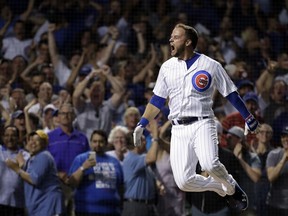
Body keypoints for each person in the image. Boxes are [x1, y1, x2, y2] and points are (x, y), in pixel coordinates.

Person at [133, 23, 261, 212]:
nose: (170, 40)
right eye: (171, 37)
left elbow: (231, 93)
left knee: (210, 162)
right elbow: (157, 100)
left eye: (175, 37)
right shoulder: (167, 67)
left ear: (188, 41)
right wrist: (141, 124)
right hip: (178, 128)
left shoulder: (210, 65)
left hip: (203, 122)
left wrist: (248, 117)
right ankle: (219, 187)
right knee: (184, 182)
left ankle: (231, 186)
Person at [5, 130, 64, 216]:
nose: (33, 142)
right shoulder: (32, 158)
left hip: (48, 205)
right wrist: (22, 165)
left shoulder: (44, 156)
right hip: (40, 206)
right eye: (31, 140)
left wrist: (16, 169)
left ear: (44, 143)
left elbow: (34, 179)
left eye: (37, 140)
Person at [48, 103, 90, 216]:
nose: (66, 116)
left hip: (78, 185)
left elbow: (88, 161)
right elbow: (45, 163)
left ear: (74, 116)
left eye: (69, 113)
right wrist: (58, 174)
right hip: (56, 185)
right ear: (58, 117)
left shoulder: (82, 138)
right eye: (63, 113)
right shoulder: (50, 137)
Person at [69, 130, 124, 216]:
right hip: (87, 210)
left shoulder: (114, 161)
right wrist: (83, 168)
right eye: (95, 141)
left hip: (111, 210)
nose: (97, 144)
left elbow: (121, 186)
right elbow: (72, 183)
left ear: (106, 143)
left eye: (101, 141)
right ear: (90, 143)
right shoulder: (81, 159)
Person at [122, 128, 160, 216]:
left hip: (148, 205)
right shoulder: (131, 158)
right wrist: (155, 137)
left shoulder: (140, 158)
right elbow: (152, 158)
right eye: (142, 140)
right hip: (135, 206)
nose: (145, 142)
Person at [0, 125, 28, 216]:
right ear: (2, 137)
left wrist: (21, 165)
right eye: (7, 135)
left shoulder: (25, 155)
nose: (10, 138)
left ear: (18, 138)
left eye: (13, 135)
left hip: (18, 203)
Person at [266, 125, 288, 216]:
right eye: (283, 136)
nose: (286, 139)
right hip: (275, 205)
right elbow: (271, 178)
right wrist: (284, 159)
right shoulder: (274, 154)